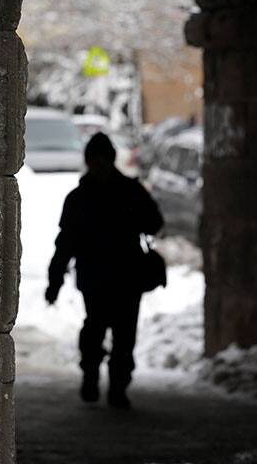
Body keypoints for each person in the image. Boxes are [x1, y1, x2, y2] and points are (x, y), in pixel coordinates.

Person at [45, 131, 164, 408]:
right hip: (113, 276)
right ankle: (101, 381)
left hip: (112, 276)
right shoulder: (116, 193)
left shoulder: (85, 197)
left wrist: (56, 281)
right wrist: (54, 281)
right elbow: (65, 243)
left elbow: (153, 222)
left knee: (111, 332)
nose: (98, 166)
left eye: (101, 161)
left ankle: (111, 385)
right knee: (105, 330)